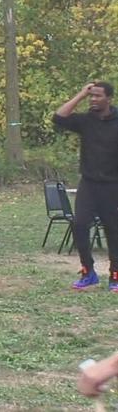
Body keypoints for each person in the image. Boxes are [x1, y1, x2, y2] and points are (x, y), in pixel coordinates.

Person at [53, 81, 118, 291]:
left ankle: (115, 276)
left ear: (109, 98)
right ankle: (88, 272)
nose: (93, 99)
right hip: (89, 183)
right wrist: (81, 94)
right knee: (80, 224)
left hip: (112, 185)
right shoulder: (86, 120)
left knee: (113, 230)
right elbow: (59, 117)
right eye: (91, 96)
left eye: (98, 96)